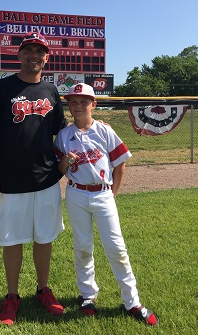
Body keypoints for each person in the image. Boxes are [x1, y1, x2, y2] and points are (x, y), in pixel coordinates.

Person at [0, 32, 67, 325]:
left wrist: (91, 124)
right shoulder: (3, 88)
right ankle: (12, 295)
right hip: (11, 180)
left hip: (47, 178)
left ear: (46, 57)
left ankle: (43, 289)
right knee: (12, 239)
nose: (33, 55)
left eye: (39, 51)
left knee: (45, 237)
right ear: (19, 55)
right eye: (28, 50)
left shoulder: (51, 92)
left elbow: (62, 132)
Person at [54, 83, 158, 326]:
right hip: (76, 193)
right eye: (73, 102)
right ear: (68, 106)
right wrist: (66, 162)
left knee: (117, 248)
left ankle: (132, 301)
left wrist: (114, 192)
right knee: (82, 246)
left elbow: (120, 162)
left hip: (102, 193)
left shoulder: (104, 130)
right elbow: (59, 170)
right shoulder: (63, 135)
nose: (78, 105)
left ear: (94, 104)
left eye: (83, 101)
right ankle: (87, 295)